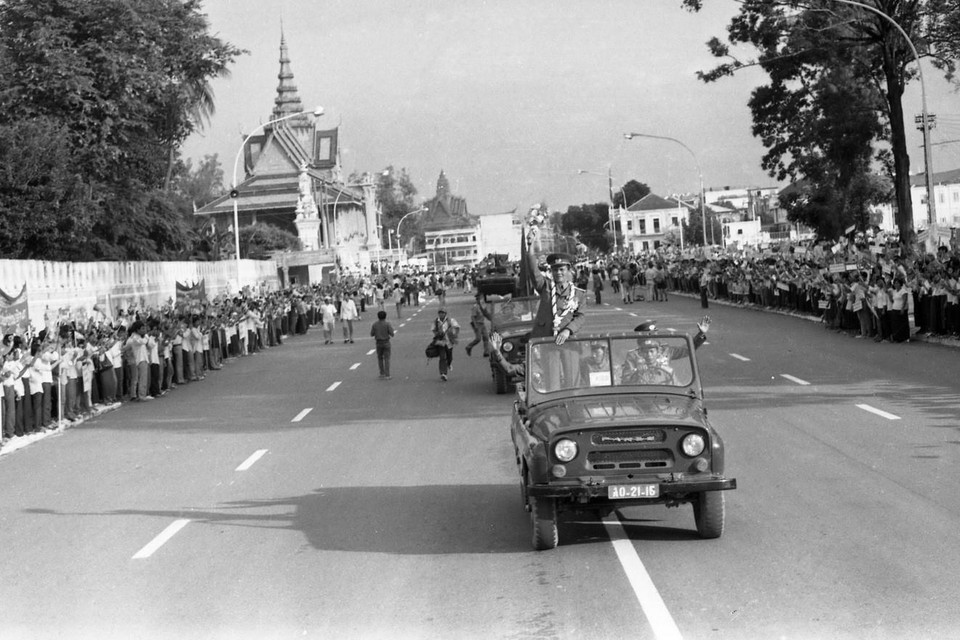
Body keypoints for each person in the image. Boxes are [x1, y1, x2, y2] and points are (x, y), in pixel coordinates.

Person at [430, 308, 460, 381]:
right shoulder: (436, 321)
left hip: (449, 341)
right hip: (441, 342)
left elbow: (457, 327)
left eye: (442, 313)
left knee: (449, 356)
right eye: (440, 313)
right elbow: (433, 329)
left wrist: (454, 334)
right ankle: (443, 373)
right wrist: (437, 334)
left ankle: (449, 364)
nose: (441, 314)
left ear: (445, 314)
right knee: (442, 357)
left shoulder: (450, 321)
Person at [465, 291, 492, 357]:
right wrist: (476, 326)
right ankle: (469, 346)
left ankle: (486, 352)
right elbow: (473, 317)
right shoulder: (475, 307)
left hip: (482, 323)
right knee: (478, 338)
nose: (481, 299)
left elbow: (486, 314)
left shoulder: (483, 306)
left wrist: (492, 320)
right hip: (477, 324)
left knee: (486, 337)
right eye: (480, 298)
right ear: (477, 299)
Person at [370, 310, 395, 379]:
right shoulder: (387, 324)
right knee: (387, 358)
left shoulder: (375, 324)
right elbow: (392, 334)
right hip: (386, 342)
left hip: (378, 343)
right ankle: (388, 375)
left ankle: (382, 373)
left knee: (380, 358)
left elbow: (371, 334)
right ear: (385, 317)